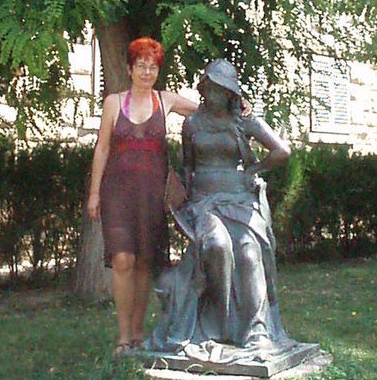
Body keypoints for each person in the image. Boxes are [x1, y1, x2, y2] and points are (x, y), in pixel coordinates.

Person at [147, 59, 294, 362]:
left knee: (249, 252)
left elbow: (282, 151)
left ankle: (256, 332)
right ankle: (215, 325)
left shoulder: (243, 121)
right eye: (210, 88)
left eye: (221, 89)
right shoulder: (192, 124)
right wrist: (186, 205)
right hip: (204, 202)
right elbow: (188, 167)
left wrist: (254, 170)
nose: (214, 95)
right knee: (216, 245)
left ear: (230, 93)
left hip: (239, 200)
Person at [86, 37, 198, 355]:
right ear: (129, 69)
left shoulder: (166, 100)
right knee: (123, 260)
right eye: (141, 66)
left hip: (152, 196)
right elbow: (102, 148)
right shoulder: (113, 103)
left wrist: (238, 105)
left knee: (145, 263)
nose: (147, 72)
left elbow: (207, 112)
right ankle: (123, 337)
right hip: (116, 195)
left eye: (152, 67)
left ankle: (138, 334)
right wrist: (94, 193)